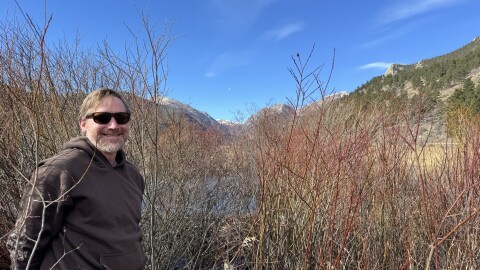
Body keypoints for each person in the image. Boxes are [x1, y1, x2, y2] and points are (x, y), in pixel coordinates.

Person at [7, 88, 146, 269]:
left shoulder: (133, 175)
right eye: (102, 118)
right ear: (83, 124)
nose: (113, 126)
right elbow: (25, 243)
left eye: (121, 118)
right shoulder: (59, 171)